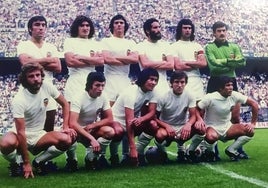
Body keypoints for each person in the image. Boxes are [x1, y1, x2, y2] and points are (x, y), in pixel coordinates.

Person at [0, 63, 76, 178]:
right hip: (20, 133)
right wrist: (26, 162)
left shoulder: (47, 86)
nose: (36, 79)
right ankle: (15, 163)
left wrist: (65, 126)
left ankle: (39, 162)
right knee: (6, 143)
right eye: (31, 76)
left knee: (67, 139)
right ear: (25, 79)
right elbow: (21, 132)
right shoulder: (19, 99)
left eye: (38, 75)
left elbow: (65, 104)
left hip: (39, 134)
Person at [137, 71, 205, 164]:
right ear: (171, 83)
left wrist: (188, 124)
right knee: (160, 135)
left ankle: (190, 152)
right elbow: (154, 117)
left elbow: (193, 115)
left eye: (182, 82)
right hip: (166, 127)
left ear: (186, 83)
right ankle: (163, 153)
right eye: (176, 82)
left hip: (182, 127)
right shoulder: (163, 96)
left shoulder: (190, 94)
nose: (180, 85)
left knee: (201, 128)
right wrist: (166, 126)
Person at [63, 15, 104, 170]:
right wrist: (91, 59)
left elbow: (101, 62)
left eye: (87, 25)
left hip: (91, 80)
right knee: (70, 121)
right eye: (82, 25)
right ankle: (71, 158)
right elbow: (70, 61)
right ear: (77, 27)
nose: (85, 28)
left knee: (90, 117)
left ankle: (91, 156)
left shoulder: (94, 43)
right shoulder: (70, 41)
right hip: (75, 81)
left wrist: (81, 57)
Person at [205, 21, 247, 159]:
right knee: (211, 116)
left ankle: (237, 149)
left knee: (235, 116)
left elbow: (242, 62)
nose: (222, 33)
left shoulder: (234, 46)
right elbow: (213, 67)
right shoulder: (209, 47)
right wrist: (231, 63)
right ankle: (213, 150)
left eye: (223, 30)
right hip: (215, 81)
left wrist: (222, 61)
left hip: (231, 81)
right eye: (218, 31)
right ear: (214, 33)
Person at [100, 14, 139, 165]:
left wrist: (116, 58)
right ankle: (106, 154)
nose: (119, 25)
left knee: (126, 119)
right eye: (116, 23)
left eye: (121, 23)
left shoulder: (131, 42)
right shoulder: (106, 41)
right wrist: (125, 57)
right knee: (109, 119)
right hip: (109, 81)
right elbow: (106, 59)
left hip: (124, 80)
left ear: (125, 26)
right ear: (112, 26)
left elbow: (135, 59)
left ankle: (125, 154)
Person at [195, 76, 259, 162]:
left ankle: (231, 150)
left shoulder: (235, 95)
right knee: (211, 137)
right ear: (220, 88)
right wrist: (199, 120)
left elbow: (254, 104)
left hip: (227, 127)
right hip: (212, 127)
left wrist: (253, 124)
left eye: (231, 85)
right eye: (227, 85)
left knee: (250, 131)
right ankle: (210, 152)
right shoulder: (210, 97)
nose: (231, 88)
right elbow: (197, 108)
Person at [68, 72, 124, 170]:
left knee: (110, 131)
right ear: (90, 85)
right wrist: (92, 139)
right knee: (67, 137)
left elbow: (109, 118)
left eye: (103, 85)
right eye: (97, 85)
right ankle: (72, 160)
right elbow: (72, 123)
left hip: (90, 129)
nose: (100, 89)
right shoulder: (78, 97)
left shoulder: (103, 96)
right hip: (77, 130)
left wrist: (93, 125)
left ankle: (91, 158)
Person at [16, 15, 61, 132]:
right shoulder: (24, 45)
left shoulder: (51, 46)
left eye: (43, 25)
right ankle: (24, 149)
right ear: (30, 29)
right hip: (29, 89)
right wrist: (48, 60)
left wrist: (34, 60)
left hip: (48, 88)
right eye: (37, 25)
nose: (41, 28)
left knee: (49, 127)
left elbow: (58, 67)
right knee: (25, 128)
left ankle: (46, 149)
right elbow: (25, 63)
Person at [110, 68, 159, 166]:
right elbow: (129, 122)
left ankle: (139, 152)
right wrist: (132, 148)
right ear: (143, 78)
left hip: (132, 120)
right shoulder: (131, 93)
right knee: (119, 132)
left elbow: (152, 112)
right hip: (116, 121)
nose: (153, 82)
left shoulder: (152, 92)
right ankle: (113, 155)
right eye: (151, 79)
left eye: (155, 80)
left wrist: (141, 119)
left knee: (153, 125)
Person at [135, 18, 174, 97]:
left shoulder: (166, 45)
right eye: (155, 28)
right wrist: (163, 62)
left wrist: (151, 64)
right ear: (148, 31)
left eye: (159, 27)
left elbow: (171, 65)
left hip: (163, 86)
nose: (159, 30)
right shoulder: (140, 46)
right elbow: (145, 65)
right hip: (147, 87)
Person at [172, 18, 207, 102]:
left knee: (199, 108)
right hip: (182, 81)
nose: (187, 30)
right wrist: (195, 64)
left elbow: (203, 63)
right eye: (185, 28)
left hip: (196, 80)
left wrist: (185, 62)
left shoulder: (197, 46)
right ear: (180, 29)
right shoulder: (174, 46)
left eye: (189, 28)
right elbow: (178, 66)